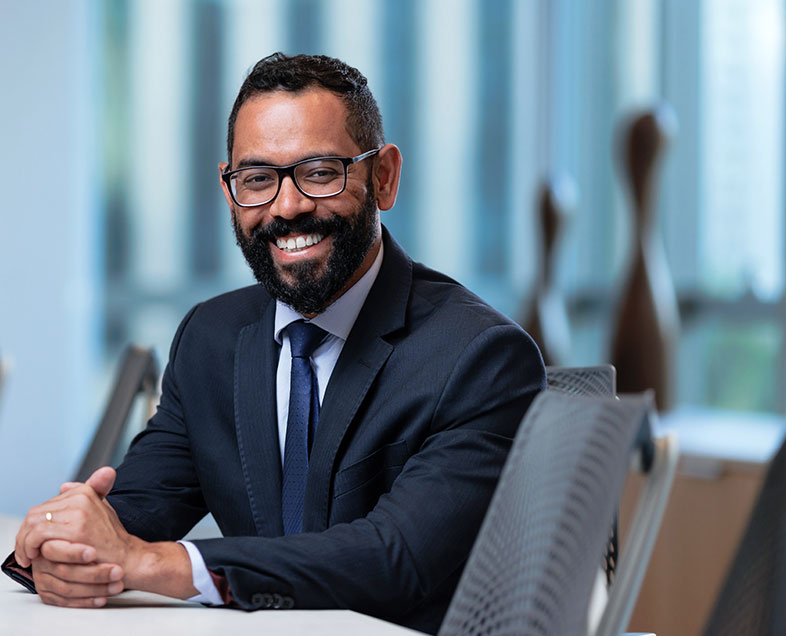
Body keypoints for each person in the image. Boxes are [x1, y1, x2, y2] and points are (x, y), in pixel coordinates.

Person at [5, 53, 545, 634]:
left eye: (318, 172)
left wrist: (150, 563)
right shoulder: (211, 337)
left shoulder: (481, 357)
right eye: (257, 180)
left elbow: (394, 559)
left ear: (383, 177)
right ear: (229, 186)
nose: (287, 208)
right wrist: (67, 544)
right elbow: (138, 510)